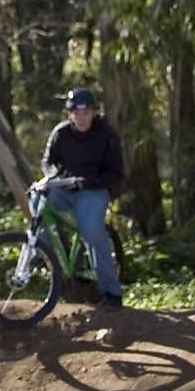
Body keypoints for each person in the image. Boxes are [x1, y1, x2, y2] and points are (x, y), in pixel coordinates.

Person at [40, 86, 125, 308]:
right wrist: (52, 176)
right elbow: (48, 162)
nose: (82, 118)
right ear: (69, 114)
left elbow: (116, 173)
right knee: (38, 205)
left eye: (86, 112)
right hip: (65, 188)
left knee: (92, 233)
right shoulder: (61, 133)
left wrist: (87, 182)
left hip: (93, 191)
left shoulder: (106, 134)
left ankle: (111, 292)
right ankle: (49, 261)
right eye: (76, 113)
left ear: (94, 113)